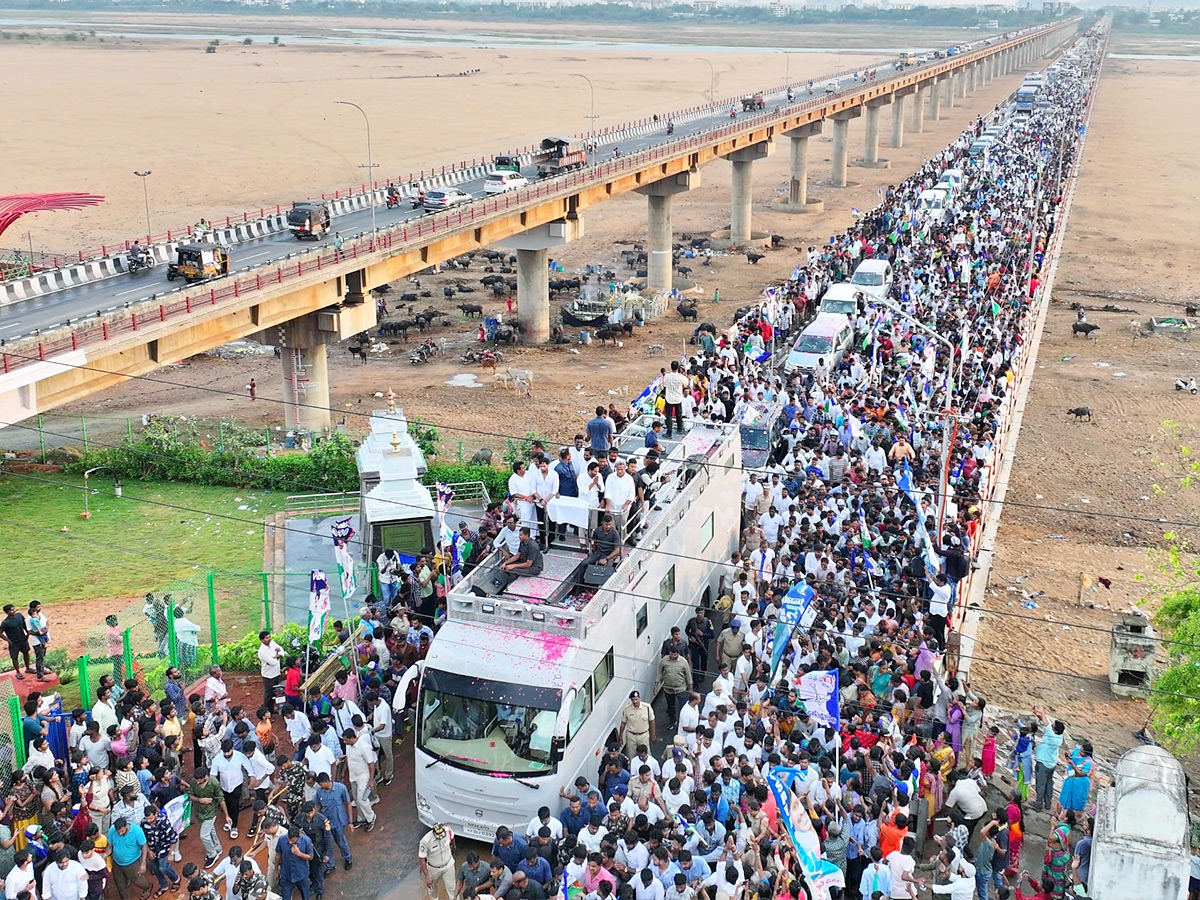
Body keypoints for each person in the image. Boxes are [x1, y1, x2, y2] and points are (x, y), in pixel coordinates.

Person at [106, 817, 152, 900]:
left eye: (122, 831)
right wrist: (105, 855)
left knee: (137, 880)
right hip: (117, 862)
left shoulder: (137, 831)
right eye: (118, 832)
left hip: (132, 862)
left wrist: (143, 864)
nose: (120, 834)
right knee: (120, 885)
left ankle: (147, 887)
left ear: (126, 826)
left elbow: (143, 846)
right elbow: (110, 846)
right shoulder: (112, 830)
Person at [494, 528, 543, 593]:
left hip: (534, 567)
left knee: (513, 570)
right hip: (524, 561)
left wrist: (513, 566)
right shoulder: (522, 542)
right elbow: (518, 555)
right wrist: (506, 563)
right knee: (507, 566)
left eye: (521, 535)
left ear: (526, 535)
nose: (519, 536)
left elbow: (528, 564)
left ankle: (508, 588)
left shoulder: (532, 546)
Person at [418, 823, 456, 900]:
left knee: (452, 888)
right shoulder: (425, 841)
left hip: (448, 864)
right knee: (433, 889)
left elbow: (452, 838)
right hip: (433, 868)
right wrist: (427, 876)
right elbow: (421, 859)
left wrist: (453, 847)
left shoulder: (448, 831)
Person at [277, 826, 314, 900]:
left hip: (301, 874)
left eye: (292, 840)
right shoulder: (281, 840)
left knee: (305, 896)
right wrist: (275, 870)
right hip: (286, 874)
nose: (290, 842)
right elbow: (278, 855)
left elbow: (310, 857)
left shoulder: (307, 841)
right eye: (289, 839)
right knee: (285, 897)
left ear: (298, 837)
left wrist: (299, 854)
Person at [618, 691, 655, 759]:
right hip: (631, 736)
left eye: (636, 699)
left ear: (639, 698)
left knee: (646, 756)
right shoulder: (627, 709)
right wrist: (620, 735)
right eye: (633, 700)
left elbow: (652, 721)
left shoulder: (647, 707)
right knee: (631, 756)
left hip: (643, 735)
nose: (635, 701)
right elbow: (623, 723)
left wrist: (653, 735)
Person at [0, 604, 32, 680]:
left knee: (26, 653)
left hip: (23, 639)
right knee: (14, 657)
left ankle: (28, 668)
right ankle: (18, 672)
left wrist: (27, 633)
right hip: (14, 642)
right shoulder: (5, 623)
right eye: (11, 610)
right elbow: (0, 632)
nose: (13, 611)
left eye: (14, 609)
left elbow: (24, 625)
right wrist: (8, 640)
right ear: (7, 612)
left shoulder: (19, 616)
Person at [256, 632, 284, 708]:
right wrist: (278, 656)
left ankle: (274, 708)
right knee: (269, 694)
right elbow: (273, 662)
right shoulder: (262, 651)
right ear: (262, 640)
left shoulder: (272, 643)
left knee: (278, 691)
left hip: (277, 673)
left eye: (269, 637)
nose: (269, 639)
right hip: (269, 676)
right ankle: (267, 711)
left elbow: (282, 650)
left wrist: (276, 656)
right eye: (267, 638)